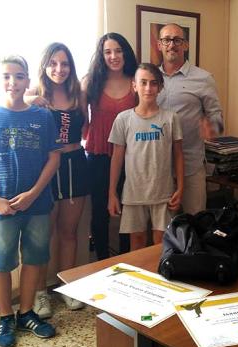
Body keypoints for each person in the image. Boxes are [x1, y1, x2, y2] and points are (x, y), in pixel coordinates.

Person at [0, 55, 58, 347]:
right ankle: (5, 316)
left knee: (35, 258)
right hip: (2, 206)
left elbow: (53, 158)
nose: (13, 82)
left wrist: (34, 193)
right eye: (7, 76)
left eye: (19, 76)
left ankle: (26, 312)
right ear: (0, 80)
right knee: (2, 262)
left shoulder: (43, 116)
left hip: (38, 204)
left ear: (27, 81)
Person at [25, 43, 87, 318]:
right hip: (46, 169)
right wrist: (28, 101)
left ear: (71, 67)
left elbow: (85, 127)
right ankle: (40, 294)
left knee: (69, 232)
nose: (59, 69)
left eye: (64, 64)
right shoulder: (35, 94)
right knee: (42, 237)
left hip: (75, 164)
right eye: (53, 63)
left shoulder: (78, 93)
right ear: (44, 66)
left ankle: (66, 287)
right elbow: (11, 104)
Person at [108, 63, 184, 250]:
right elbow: (116, 158)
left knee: (161, 243)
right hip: (134, 193)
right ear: (134, 86)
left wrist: (181, 187)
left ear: (160, 87)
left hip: (163, 193)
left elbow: (179, 155)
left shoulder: (170, 118)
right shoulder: (123, 119)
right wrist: (112, 192)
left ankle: (160, 279)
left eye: (153, 83)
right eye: (143, 83)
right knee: (138, 244)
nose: (148, 88)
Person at [81, 33, 138, 260]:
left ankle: (124, 260)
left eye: (118, 50)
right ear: (101, 55)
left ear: (126, 52)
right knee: (100, 211)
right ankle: (102, 262)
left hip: (130, 156)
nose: (113, 56)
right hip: (98, 155)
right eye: (107, 52)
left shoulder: (136, 80)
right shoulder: (91, 81)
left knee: (127, 211)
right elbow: (77, 113)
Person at [156, 23, 223, 215]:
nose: (172, 44)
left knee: (195, 224)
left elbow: (217, 117)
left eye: (177, 40)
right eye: (167, 40)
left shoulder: (203, 78)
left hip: (191, 165)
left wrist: (213, 129)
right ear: (159, 44)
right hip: (158, 168)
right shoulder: (150, 79)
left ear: (185, 45)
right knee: (164, 231)